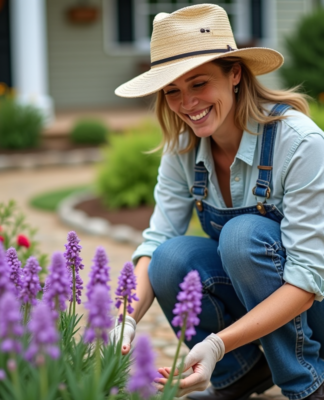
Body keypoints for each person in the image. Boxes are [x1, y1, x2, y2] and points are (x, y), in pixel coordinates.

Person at [111, 3, 324, 400]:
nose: (187, 103)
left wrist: (215, 343)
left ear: (236, 74)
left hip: (317, 310)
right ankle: (239, 374)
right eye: (172, 90)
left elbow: (307, 280)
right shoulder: (182, 149)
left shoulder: (299, 143)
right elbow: (156, 242)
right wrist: (124, 319)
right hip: (271, 304)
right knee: (170, 258)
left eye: (199, 83)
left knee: (243, 237)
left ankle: (307, 380)